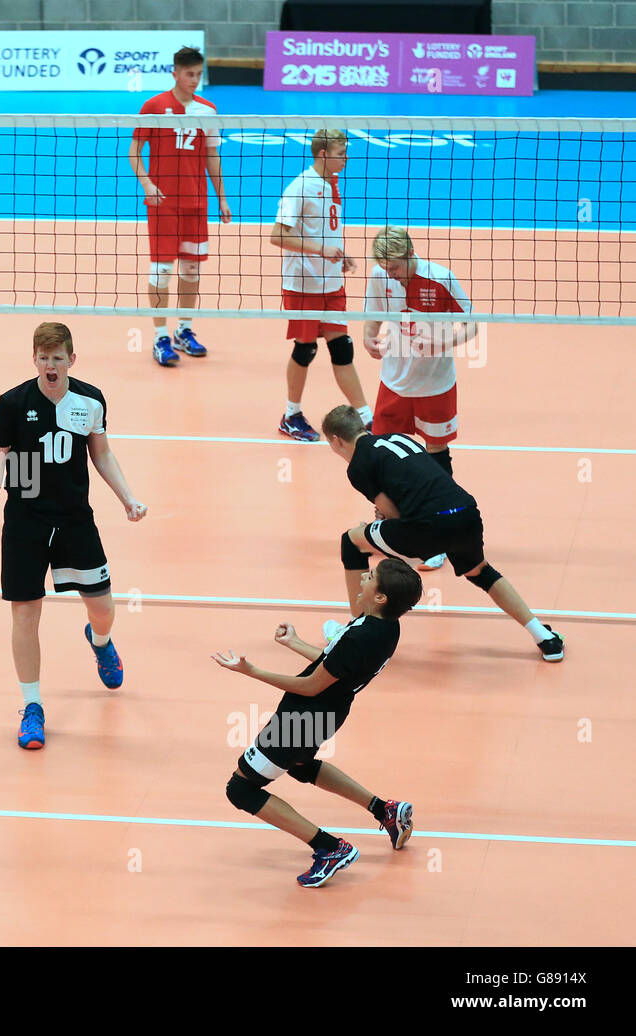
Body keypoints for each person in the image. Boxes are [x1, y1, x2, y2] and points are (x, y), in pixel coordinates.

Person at [0, 322, 148, 750]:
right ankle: (32, 706)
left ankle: (100, 641)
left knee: (103, 608)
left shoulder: (90, 399)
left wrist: (128, 498)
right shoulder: (12, 404)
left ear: (72, 360)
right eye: (43, 357)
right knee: (24, 614)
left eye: (58, 358)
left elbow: (101, 453)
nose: (50, 365)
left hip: (74, 519)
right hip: (25, 520)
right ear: (33, 359)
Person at [212, 559, 423, 887]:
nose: (363, 578)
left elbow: (312, 685)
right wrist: (293, 642)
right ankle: (384, 810)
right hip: (327, 711)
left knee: (241, 789)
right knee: (300, 765)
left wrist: (251, 671)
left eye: (369, 577)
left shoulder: (363, 635)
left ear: (381, 597)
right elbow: (335, 666)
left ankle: (329, 848)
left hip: (304, 715)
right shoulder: (385, 627)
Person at [321, 405, 565, 662]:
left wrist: (368, 533)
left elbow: (393, 514)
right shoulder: (398, 438)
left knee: (351, 542)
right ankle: (545, 638)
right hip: (466, 514)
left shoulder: (358, 465)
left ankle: (356, 637)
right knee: (480, 571)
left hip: (426, 526)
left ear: (337, 441)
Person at [363, 226, 478, 570]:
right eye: (385, 267)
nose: (390, 273)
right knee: (383, 455)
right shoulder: (379, 275)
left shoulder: (441, 278)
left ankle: (440, 533)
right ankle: (388, 527)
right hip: (394, 382)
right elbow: (373, 314)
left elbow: (472, 323)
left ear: (410, 254)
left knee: (435, 456)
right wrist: (369, 336)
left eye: (395, 267)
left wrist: (444, 343)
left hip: (434, 385)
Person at [128, 45, 231, 367]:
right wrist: (146, 182)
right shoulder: (155, 106)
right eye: (189, 74)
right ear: (175, 73)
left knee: (191, 269)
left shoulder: (208, 110)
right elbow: (134, 150)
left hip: (196, 203)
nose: (195, 80)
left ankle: (184, 330)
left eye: (199, 75)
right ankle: (160, 336)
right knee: (161, 271)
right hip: (162, 203)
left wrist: (222, 198)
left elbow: (212, 156)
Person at [270, 128, 372, 443]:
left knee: (342, 347)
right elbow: (277, 235)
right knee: (305, 349)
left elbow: (325, 232)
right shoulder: (301, 187)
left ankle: (368, 417)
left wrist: (338, 255)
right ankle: (291, 415)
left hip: (331, 282)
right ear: (324, 154)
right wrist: (321, 250)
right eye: (342, 154)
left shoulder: (332, 183)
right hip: (303, 284)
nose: (347, 159)